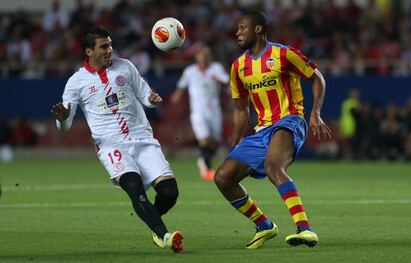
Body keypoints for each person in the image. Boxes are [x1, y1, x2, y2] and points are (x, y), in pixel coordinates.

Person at [51, 28, 184, 253]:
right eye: (104, 46)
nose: (110, 50)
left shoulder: (126, 66)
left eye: (110, 45)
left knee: (170, 192)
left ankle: (153, 221)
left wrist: (151, 99)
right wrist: (62, 119)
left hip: (142, 138)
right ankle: (165, 235)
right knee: (133, 185)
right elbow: (64, 127)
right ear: (89, 51)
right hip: (110, 144)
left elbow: (144, 94)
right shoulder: (76, 82)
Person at [214, 10, 332, 249]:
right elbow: (240, 110)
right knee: (223, 177)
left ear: (257, 29)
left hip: (290, 121)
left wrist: (315, 112)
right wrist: (235, 143)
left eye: (242, 28)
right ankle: (264, 226)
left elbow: (316, 77)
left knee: (272, 166)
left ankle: (305, 229)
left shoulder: (283, 54)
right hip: (262, 130)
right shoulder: (238, 67)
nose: (237, 33)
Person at [171, 45, 229, 181]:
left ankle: (204, 160)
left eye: (206, 54)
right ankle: (206, 168)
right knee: (204, 139)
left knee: (214, 142)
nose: (203, 57)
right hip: (198, 111)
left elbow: (226, 82)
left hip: (214, 110)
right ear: (196, 57)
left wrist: (226, 86)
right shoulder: (190, 71)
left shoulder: (216, 68)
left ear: (210, 56)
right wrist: (177, 96)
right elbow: (181, 86)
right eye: (201, 54)